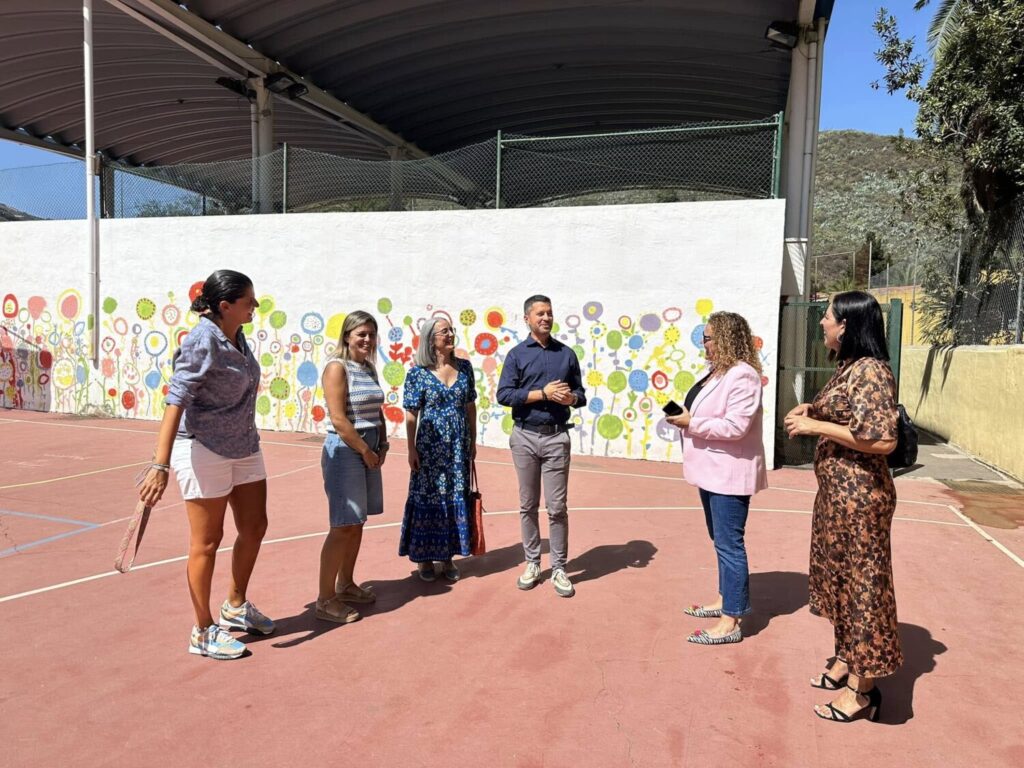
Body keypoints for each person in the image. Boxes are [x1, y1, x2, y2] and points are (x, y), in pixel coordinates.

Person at [138, 269, 274, 660]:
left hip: (244, 445)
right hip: (204, 449)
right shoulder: (202, 339)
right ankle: (202, 629)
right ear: (225, 306)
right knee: (207, 542)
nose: (255, 306)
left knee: (255, 527)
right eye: (249, 301)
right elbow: (176, 397)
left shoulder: (237, 335)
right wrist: (159, 464)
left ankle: (235, 604)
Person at [784, 290, 900, 723]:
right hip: (838, 499)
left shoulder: (870, 370)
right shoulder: (848, 367)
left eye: (828, 316)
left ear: (847, 325)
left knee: (863, 590)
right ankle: (845, 659)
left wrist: (815, 425)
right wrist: (814, 407)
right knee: (840, 584)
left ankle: (864, 689)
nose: (821, 323)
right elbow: (846, 414)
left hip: (860, 502)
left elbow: (882, 439)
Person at [666, 311, 767, 646]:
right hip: (711, 472)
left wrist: (689, 423)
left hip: (729, 475)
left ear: (725, 338)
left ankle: (732, 620)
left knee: (730, 544)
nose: (703, 343)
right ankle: (726, 599)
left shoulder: (743, 376)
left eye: (707, 337)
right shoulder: (717, 373)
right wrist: (685, 418)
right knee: (720, 541)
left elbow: (736, 427)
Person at [497, 295, 586, 597]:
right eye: (540, 314)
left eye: (549, 313)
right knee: (527, 505)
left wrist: (571, 399)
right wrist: (542, 394)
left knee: (557, 507)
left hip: (557, 437)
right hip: (524, 436)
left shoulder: (566, 354)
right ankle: (533, 562)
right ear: (527, 319)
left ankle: (559, 567)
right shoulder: (516, 355)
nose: (546, 318)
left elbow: (580, 393)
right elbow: (504, 395)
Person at [315, 311, 388, 623]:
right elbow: (339, 419)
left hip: (368, 447)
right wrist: (365, 450)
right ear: (347, 335)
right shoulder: (336, 367)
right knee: (342, 525)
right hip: (346, 450)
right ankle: (325, 598)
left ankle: (345, 584)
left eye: (371, 334)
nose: (367, 340)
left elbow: (377, 410)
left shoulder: (367, 367)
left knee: (357, 522)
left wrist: (381, 444)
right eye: (361, 334)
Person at [398, 316, 477, 581]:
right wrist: (411, 449)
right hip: (429, 448)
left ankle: (447, 557)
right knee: (427, 499)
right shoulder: (417, 373)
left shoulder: (465, 368)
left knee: (454, 496)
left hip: (457, 447)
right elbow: (411, 414)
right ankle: (424, 559)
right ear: (431, 338)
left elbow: (470, 407)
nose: (451, 334)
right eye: (445, 331)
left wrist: (472, 441)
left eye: (452, 330)